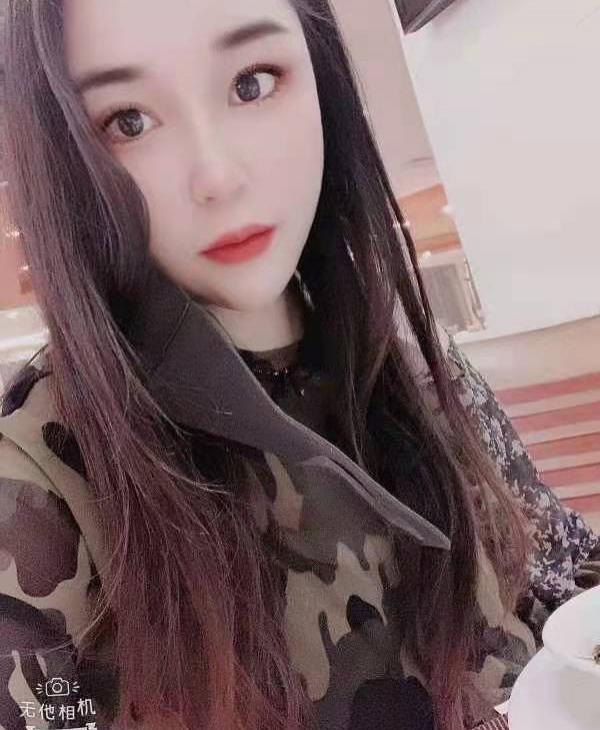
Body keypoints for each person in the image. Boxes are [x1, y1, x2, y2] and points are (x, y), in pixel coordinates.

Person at [0, 1, 598, 729]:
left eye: (251, 83)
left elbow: (563, 588)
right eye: (128, 121)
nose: (218, 175)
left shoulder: (420, 372)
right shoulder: (38, 481)